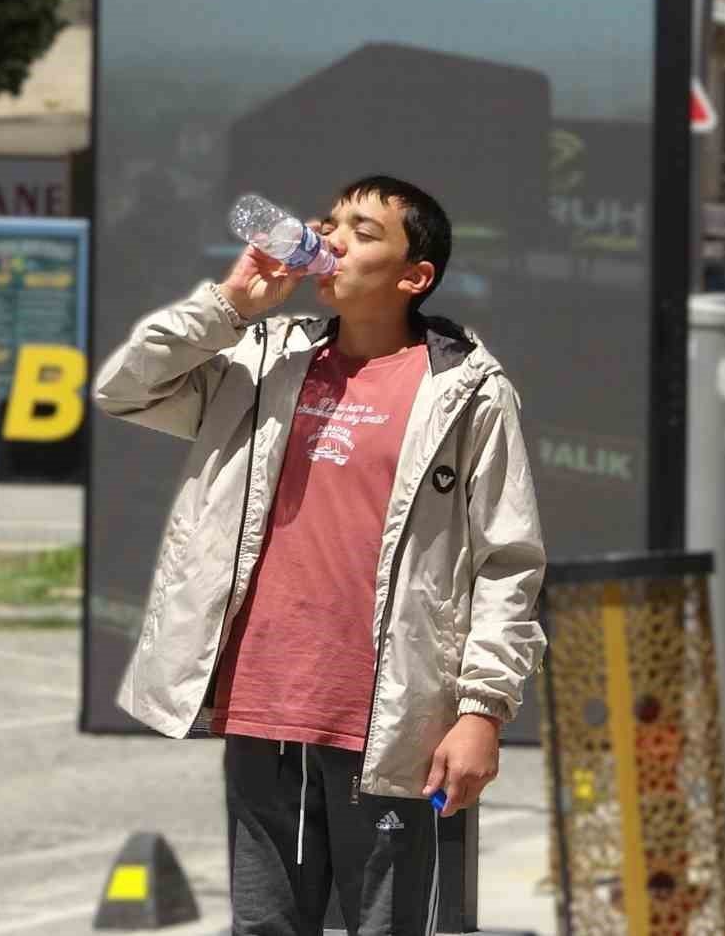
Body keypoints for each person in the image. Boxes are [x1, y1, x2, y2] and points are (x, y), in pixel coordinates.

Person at [93, 176, 547, 934]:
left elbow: (507, 560)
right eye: (330, 222)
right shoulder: (264, 356)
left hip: (396, 723)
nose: (331, 239)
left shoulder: (468, 389)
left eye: (363, 231)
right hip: (263, 710)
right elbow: (122, 388)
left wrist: (482, 711)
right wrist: (232, 304)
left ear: (415, 276)